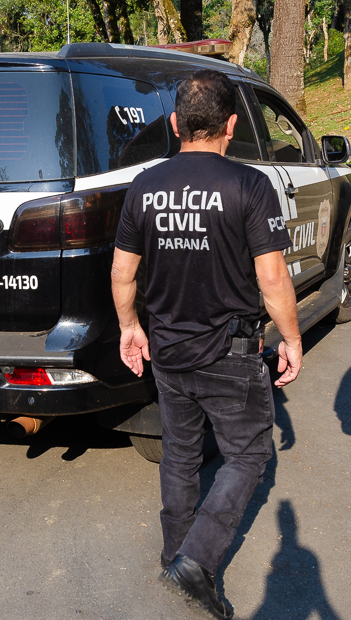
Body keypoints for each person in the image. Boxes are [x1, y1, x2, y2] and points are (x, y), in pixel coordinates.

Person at [111, 69, 303, 619]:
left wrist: (130, 326)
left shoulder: (144, 186)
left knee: (181, 455)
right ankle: (195, 560)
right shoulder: (249, 186)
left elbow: (124, 273)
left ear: (175, 125)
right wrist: (291, 338)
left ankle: (175, 555)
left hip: (168, 349)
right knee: (247, 454)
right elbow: (272, 279)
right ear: (232, 124)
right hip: (229, 353)